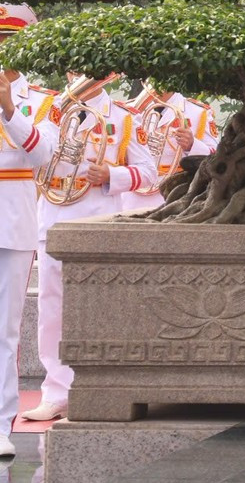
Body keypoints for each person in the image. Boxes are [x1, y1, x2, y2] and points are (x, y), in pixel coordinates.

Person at [22, 73, 157, 423]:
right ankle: (55, 391)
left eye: (92, 72)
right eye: (76, 72)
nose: (82, 78)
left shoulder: (123, 117)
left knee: (101, 302)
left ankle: (104, 385)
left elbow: (149, 172)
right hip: (53, 211)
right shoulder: (51, 109)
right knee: (52, 304)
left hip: (98, 215)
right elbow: (32, 151)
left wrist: (113, 175)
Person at [0, 5, 57, 456]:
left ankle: (0, 423)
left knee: (5, 329)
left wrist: (7, 108)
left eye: (7, 38)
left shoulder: (42, 99)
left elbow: (41, 157)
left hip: (14, 212)